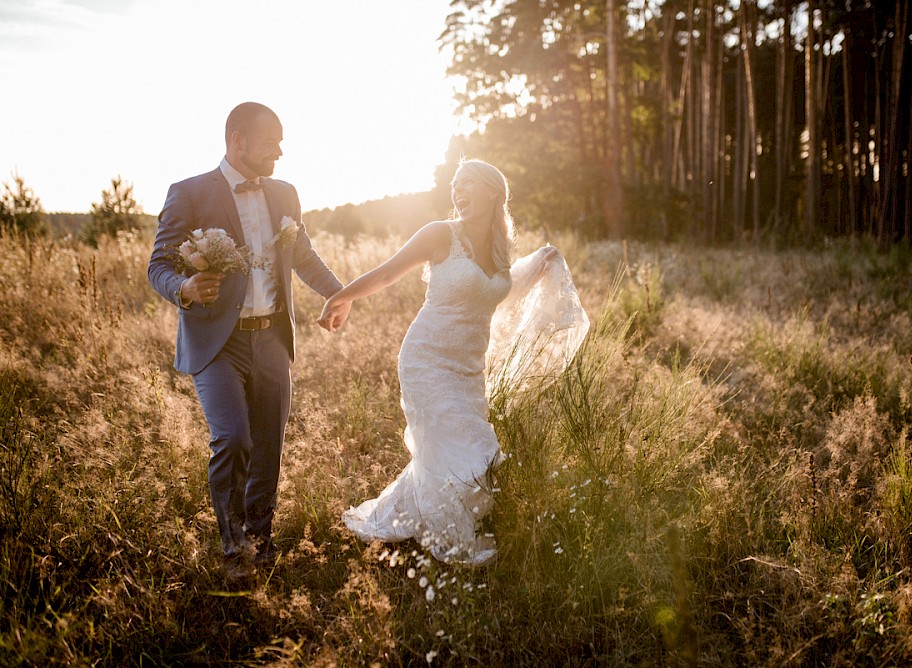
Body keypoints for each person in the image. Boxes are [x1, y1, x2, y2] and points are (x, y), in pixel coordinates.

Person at [317, 158, 589, 566]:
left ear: (494, 192)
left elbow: (500, 292)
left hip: (468, 371)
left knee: (463, 448)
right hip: (426, 359)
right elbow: (389, 273)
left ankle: (399, 518)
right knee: (446, 448)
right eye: (455, 186)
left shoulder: (500, 249)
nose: (458, 193)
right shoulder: (440, 235)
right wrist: (341, 297)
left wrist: (541, 263)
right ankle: (452, 543)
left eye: (468, 184)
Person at [148, 102, 344, 580]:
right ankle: (233, 547)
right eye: (271, 140)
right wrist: (184, 289)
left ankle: (261, 538)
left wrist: (342, 293)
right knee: (234, 439)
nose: (280, 149)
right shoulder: (189, 193)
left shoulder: (285, 194)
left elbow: (304, 256)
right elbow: (159, 266)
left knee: (269, 447)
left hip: (272, 339)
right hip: (218, 343)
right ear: (237, 141)